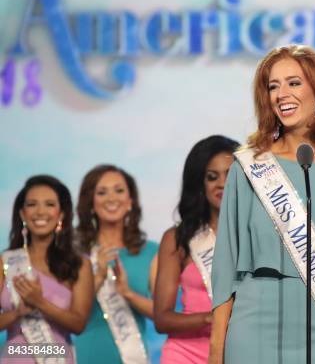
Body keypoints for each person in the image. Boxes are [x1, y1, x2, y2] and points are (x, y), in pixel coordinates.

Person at [209, 45, 315, 364]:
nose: (281, 94)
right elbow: (225, 266)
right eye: (273, 86)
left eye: (294, 82)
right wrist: (217, 347)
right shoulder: (248, 168)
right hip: (253, 326)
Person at [154, 135, 239, 363]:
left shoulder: (257, 234)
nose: (222, 183)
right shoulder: (178, 238)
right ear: (200, 183)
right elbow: (162, 319)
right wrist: (214, 318)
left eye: (230, 174)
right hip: (185, 354)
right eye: (212, 177)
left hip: (240, 352)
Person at [0, 175, 93, 363]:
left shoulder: (79, 264)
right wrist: (18, 312)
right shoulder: (6, 261)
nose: (40, 212)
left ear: (61, 214)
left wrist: (39, 302)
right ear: (22, 213)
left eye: (49, 204)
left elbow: (79, 324)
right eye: (32, 204)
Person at [73, 165, 159, 364]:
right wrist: (97, 278)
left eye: (119, 190)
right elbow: (69, 314)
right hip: (86, 356)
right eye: (102, 192)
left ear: (130, 201)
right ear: (91, 203)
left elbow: (162, 315)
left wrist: (127, 293)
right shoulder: (76, 253)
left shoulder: (151, 252)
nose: (112, 198)